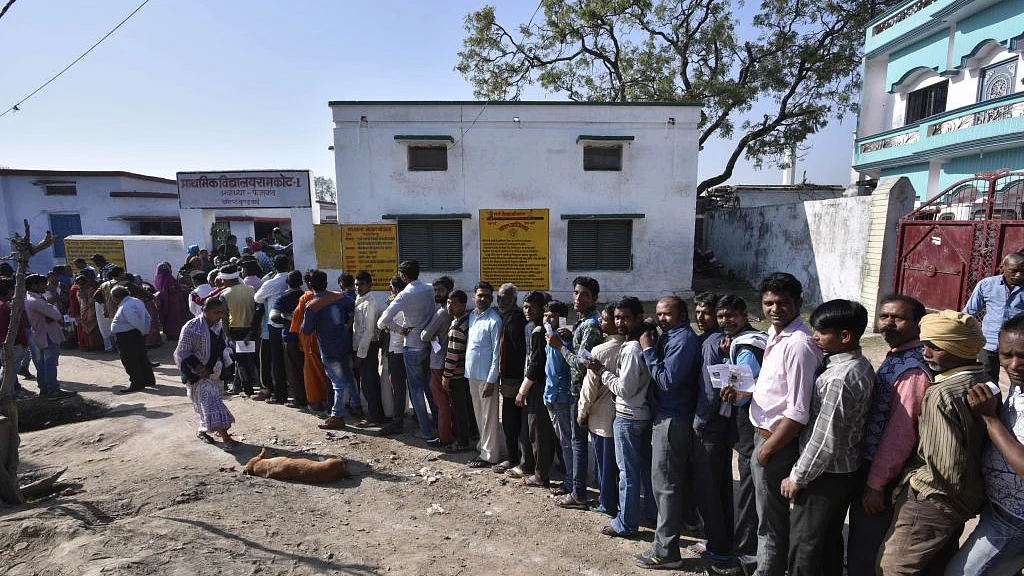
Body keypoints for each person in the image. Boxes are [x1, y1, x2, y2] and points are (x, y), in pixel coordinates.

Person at [878, 310, 990, 574]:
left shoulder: (942, 393)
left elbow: (945, 471)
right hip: (965, 497)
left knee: (892, 568)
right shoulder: (983, 380)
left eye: (934, 347)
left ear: (959, 348)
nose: (925, 352)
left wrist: (913, 481)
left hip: (934, 499)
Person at [779, 299, 874, 576]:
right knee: (828, 537)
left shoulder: (840, 378)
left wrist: (798, 476)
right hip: (843, 470)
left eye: (821, 332)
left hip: (825, 474)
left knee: (804, 543)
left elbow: (824, 437)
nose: (814, 337)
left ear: (845, 336)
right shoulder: (858, 364)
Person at [742, 273, 821, 576]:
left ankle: (768, 571)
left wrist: (766, 452)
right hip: (762, 436)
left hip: (775, 442)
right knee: (766, 517)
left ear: (799, 303)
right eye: (768, 303)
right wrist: (745, 393)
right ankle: (766, 565)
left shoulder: (798, 344)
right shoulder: (776, 335)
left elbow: (798, 411)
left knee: (771, 521)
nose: (775, 309)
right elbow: (777, 388)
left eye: (783, 303)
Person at [846, 294, 929, 576]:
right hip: (874, 464)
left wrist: (876, 483)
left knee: (869, 543)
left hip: (884, 472)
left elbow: (900, 434)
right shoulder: (899, 355)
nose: (888, 324)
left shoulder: (913, 370)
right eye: (884, 317)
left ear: (917, 323)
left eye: (899, 318)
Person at [945, 315, 1024, 575]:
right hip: (998, 507)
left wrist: (990, 419)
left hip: (1015, 521)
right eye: (1006, 355)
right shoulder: (1018, 386)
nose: (1014, 365)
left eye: (1023, 356)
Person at [634, 295, 701, 569]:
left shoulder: (683, 340)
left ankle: (666, 552)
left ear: (683, 315)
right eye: (659, 314)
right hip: (666, 416)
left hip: (674, 418)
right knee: (666, 483)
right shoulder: (672, 335)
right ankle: (667, 544)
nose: (662, 319)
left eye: (667, 314)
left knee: (665, 486)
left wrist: (648, 350)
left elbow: (667, 381)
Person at [707, 295, 767, 574]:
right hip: (749, 425)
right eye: (721, 316)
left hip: (748, 425)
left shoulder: (747, 347)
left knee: (747, 492)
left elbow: (742, 394)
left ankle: (744, 559)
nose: (725, 321)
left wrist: (732, 392)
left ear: (745, 315)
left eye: (731, 315)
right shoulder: (748, 341)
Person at [589, 296, 655, 539]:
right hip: (643, 414)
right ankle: (651, 512)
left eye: (626, 317)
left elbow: (625, 389)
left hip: (628, 416)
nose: (620, 322)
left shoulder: (631, 349)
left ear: (637, 318)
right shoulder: (644, 342)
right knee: (643, 470)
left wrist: (602, 372)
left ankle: (626, 524)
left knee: (627, 473)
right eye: (617, 317)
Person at [549, 276, 603, 511]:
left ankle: (579, 493)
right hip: (578, 390)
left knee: (578, 442)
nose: (578, 298)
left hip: (581, 391)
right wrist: (569, 338)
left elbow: (581, 364)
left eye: (584, 294)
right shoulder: (583, 323)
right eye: (576, 293)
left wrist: (559, 346)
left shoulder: (591, 325)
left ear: (594, 298)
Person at [377, 260, 439, 441]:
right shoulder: (429, 288)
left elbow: (382, 322)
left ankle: (426, 431)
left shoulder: (404, 295)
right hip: (429, 342)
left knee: (416, 390)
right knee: (428, 387)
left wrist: (398, 329)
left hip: (412, 345)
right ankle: (437, 424)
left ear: (403, 276)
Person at [176, 297, 239, 450]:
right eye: (216, 313)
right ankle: (226, 439)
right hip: (198, 375)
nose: (219, 316)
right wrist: (198, 368)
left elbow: (221, 346)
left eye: (221, 313)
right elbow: (182, 352)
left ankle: (202, 431)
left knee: (209, 405)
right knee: (212, 404)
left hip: (214, 373)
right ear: (205, 311)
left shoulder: (217, 326)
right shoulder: (191, 327)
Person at [579, 303, 624, 519]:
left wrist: (582, 411)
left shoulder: (600, 351)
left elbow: (590, 388)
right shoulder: (631, 345)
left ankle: (607, 503)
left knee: (605, 464)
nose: (601, 322)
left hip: (602, 415)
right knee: (619, 464)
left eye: (605, 319)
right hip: (622, 414)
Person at [301, 270, 357, 430]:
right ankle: (356, 406)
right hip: (344, 343)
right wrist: (348, 324)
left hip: (328, 348)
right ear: (326, 283)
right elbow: (353, 308)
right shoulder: (339, 297)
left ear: (310, 285)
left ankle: (337, 415)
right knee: (348, 376)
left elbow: (306, 330)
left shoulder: (312, 305)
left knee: (337, 383)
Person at [517, 290, 557, 488]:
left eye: (532, 307)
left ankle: (541, 475)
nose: (527, 311)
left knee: (538, 430)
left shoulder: (540, 331)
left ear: (542, 309)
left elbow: (536, 363)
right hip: (540, 384)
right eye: (525, 306)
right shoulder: (534, 328)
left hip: (538, 385)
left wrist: (523, 389)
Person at [964, 252, 1024, 381]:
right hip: (989, 344)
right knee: (988, 381)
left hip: (1017, 346)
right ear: (1002, 268)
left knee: (1018, 381)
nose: (1019, 275)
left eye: (1023, 271)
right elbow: (969, 312)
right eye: (1014, 271)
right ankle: (994, 401)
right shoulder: (987, 285)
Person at [465, 281, 503, 466]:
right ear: (474, 297)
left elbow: (497, 353)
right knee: (479, 415)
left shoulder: (494, 320)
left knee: (489, 418)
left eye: (487, 296)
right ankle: (483, 446)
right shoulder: (472, 316)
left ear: (491, 298)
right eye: (480, 295)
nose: (483, 299)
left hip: (486, 377)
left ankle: (490, 456)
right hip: (472, 374)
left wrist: (491, 380)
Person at [495, 283, 530, 475]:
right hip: (510, 377)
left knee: (511, 421)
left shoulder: (515, 319)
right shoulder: (508, 316)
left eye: (505, 298)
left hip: (514, 378)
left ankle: (514, 458)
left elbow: (520, 351)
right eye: (499, 298)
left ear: (514, 300)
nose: (501, 301)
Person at [24, 274, 75, 399]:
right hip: (48, 335)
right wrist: (52, 308)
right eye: (42, 284)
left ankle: (45, 389)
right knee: (50, 364)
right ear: (34, 286)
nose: (45, 286)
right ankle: (53, 390)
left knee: (42, 363)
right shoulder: (36, 301)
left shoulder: (31, 298)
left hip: (41, 334)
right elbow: (56, 315)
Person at [544, 300, 575, 487]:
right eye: (546, 315)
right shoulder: (553, 337)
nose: (548, 319)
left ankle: (571, 480)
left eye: (552, 316)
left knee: (566, 441)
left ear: (561, 319)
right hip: (562, 396)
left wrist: (548, 397)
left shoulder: (557, 340)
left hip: (560, 397)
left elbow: (553, 373)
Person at [421, 276, 454, 446]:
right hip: (448, 360)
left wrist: (428, 334)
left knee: (441, 403)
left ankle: (444, 437)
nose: (437, 293)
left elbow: (424, 335)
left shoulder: (442, 312)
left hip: (438, 362)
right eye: (435, 290)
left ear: (449, 290)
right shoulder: (449, 310)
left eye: (441, 290)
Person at [254, 255, 292, 405]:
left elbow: (257, 298)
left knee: (277, 361)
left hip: (274, 324)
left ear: (275, 267)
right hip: (292, 323)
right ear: (289, 265)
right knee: (291, 360)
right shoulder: (293, 278)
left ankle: (280, 394)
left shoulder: (271, 282)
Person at [290, 272, 329, 413]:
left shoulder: (306, 298)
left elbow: (297, 320)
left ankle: (315, 401)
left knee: (311, 372)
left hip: (310, 340)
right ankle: (328, 400)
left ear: (308, 284)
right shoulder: (331, 296)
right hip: (327, 339)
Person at [218, 265, 259, 398]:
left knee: (241, 361)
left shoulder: (225, 295)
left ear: (227, 279)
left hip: (236, 331)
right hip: (252, 330)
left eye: (223, 280)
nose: (222, 282)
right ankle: (263, 385)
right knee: (254, 359)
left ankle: (248, 389)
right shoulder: (252, 290)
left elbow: (224, 317)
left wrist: (226, 334)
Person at [353, 271, 386, 427]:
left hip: (368, 347)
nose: (358, 287)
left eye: (361, 284)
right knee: (368, 383)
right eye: (356, 284)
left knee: (369, 383)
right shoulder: (359, 299)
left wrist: (360, 355)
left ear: (369, 285)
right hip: (361, 346)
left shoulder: (370, 303)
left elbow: (368, 332)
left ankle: (374, 417)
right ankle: (375, 414)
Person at [110, 285, 157, 394]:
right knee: (141, 358)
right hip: (134, 335)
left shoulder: (127, 306)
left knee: (130, 360)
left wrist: (143, 331)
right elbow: (147, 317)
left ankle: (137, 383)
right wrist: (143, 331)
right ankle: (149, 380)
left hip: (128, 336)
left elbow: (136, 321)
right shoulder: (135, 301)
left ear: (117, 297)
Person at [442, 290, 473, 452]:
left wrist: (446, 376)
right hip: (466, 373)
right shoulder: (468, 320)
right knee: (466, 406)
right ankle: (471, 434)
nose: (449, 306)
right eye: (448, 303)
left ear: (463, 305)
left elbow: (452, 355)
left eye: (453, 303)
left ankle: (463, 442)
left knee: (459, 409)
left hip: (457, 375)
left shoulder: (456, 327)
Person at [270, 270, 306, 409]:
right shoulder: (306, 296)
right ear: (301, 283)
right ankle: (311, 396)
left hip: (290, 338)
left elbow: (274, 317)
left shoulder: (282, 298)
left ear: (287, 282)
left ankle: (299, 399)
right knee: (306, 368)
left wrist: (288, 320)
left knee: (293, 370)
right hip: (306, 337)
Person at [378, 275, 409, 435]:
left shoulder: (395, 303)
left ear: (394, 289)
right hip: (408, 347)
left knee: (397, 386)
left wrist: (393, 328)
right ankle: (405, 415)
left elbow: (381, 323)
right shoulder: (411, 300)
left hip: (396, 349)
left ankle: (397, 421)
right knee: (408, 385)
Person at [0, 277, 30, 399]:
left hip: (3, 344)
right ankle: (7, 396)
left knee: (6, 369)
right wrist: (24, 342)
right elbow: (18, 327)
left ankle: (9, 393)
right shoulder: (9, 307)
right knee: (9, 371)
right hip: (13, 344)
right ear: (10, 290)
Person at [71, 271, 104, 351]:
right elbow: (80, 302)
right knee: (87, 330)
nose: (81, 286)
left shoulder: (90, 290)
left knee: (93, 329)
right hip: (84, 312)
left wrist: (85, 311)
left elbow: (91, 302)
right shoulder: (78, 291)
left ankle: (95, 346)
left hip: (91, 312)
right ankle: (89, 346)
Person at [154, 262, 187, 340]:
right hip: (173, 301)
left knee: (166, 317)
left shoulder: (158, 277)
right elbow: (172, 289)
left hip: (163, 301)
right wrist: (180, 289)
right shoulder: (169, 278)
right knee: (174, 317)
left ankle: (169, 334)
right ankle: (175, 334)